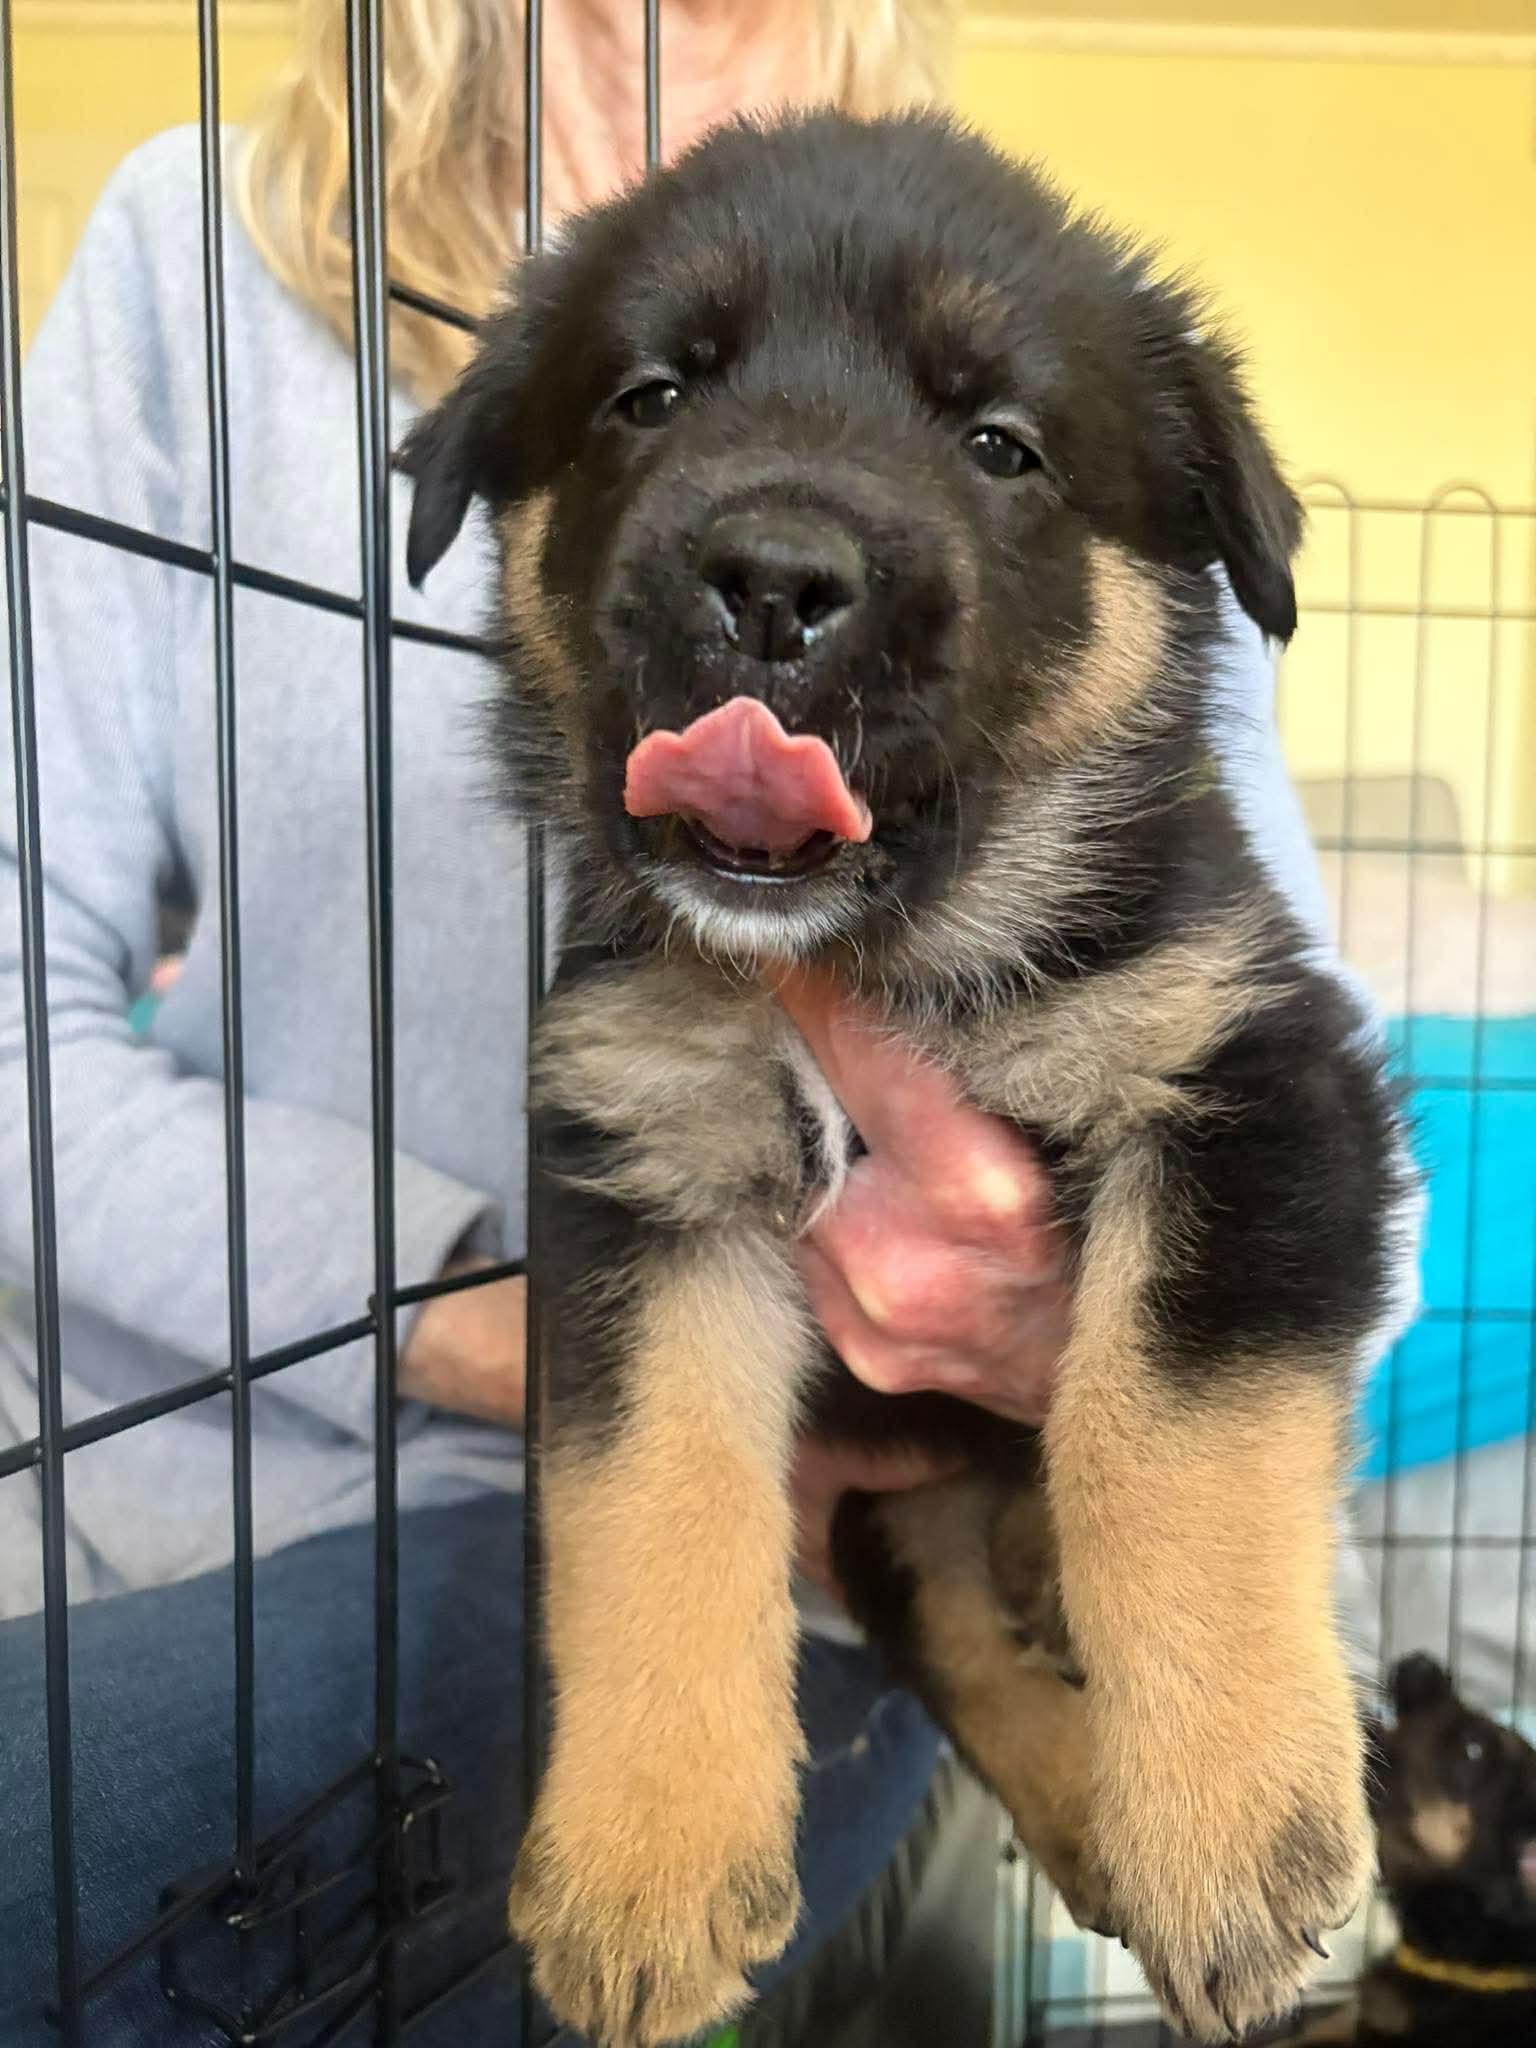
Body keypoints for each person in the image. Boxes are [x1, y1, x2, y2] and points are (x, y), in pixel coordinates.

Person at [0, 0, 1341, 2039]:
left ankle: (988, 1684)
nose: (782, 534)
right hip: (170, 1438)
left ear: (1178, 559)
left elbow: (1297, 1160)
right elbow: (649, 1293)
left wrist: (1138, 1511)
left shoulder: (1139, 828)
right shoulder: (193, 254)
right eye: (647, 399)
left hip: (789, 1554)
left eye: (994, 451)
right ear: (497, 509)